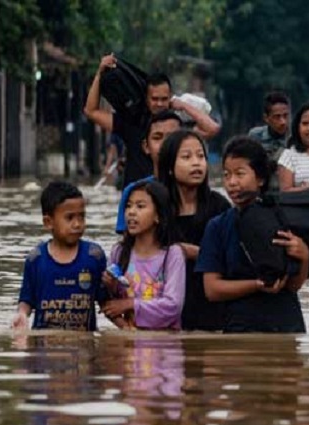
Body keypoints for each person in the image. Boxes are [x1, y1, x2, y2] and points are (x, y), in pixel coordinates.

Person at [196, 137, 309, 333]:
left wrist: (305, 255)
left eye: (240, 174)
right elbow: (212, 290)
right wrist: (256, 285)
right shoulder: (217, 226)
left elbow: (293, 286)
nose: (232, 182)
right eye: (226, 175)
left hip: (286, 325)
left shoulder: (283, 218)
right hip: (240, 328)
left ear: (260, 178)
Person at [84, 54, 220, 187]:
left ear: (170, 98)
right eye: (155, 99)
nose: (159, 104)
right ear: (146, 99)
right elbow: (91, 111)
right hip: (137, 198)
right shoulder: (131, 124)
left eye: (164, 99)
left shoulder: (177, 127)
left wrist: (184, 106)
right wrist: (99, 74)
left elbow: (212, 128)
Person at [157, 130, 231, 331]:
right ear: (170, 167)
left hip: (212, 312)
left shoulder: (220, 207)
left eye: (201, 156)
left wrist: (195, 252)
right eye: (186, 157)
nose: (196, 163)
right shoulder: (157, 209)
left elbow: (233, 259)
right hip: (167, 312)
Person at [12, 181, 107, 331]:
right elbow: (27, 300)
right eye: (69, 218)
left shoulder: (94, 256)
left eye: (81, 217)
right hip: (44, 347)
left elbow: (106, 302)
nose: (77, 224)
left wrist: (127, 328)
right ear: (48, 222)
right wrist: (22, 314)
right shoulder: (36, 259)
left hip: (84, 349)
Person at [102, 181, 186, 330]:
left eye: (140, 206)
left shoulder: (172, 254)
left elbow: (173, 306)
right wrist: (111, 286)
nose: (131, 212)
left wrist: (130, 304)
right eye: (128, 206)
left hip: (164, 343)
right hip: (128, 341)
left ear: (158, 216)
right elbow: (108, 302)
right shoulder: (119, 252)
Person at [114, 110, 183, 234]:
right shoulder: (133, 192)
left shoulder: (194, 189)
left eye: (172, 137)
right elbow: (127, 245)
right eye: (157, 137)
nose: (165, 144)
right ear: (146, 146)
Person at [248, 91, 291, 190]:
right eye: (277, 117)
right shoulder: (255, 136)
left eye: (285, 116)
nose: (283, 122)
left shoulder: (294, 140)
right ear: (266, 118)